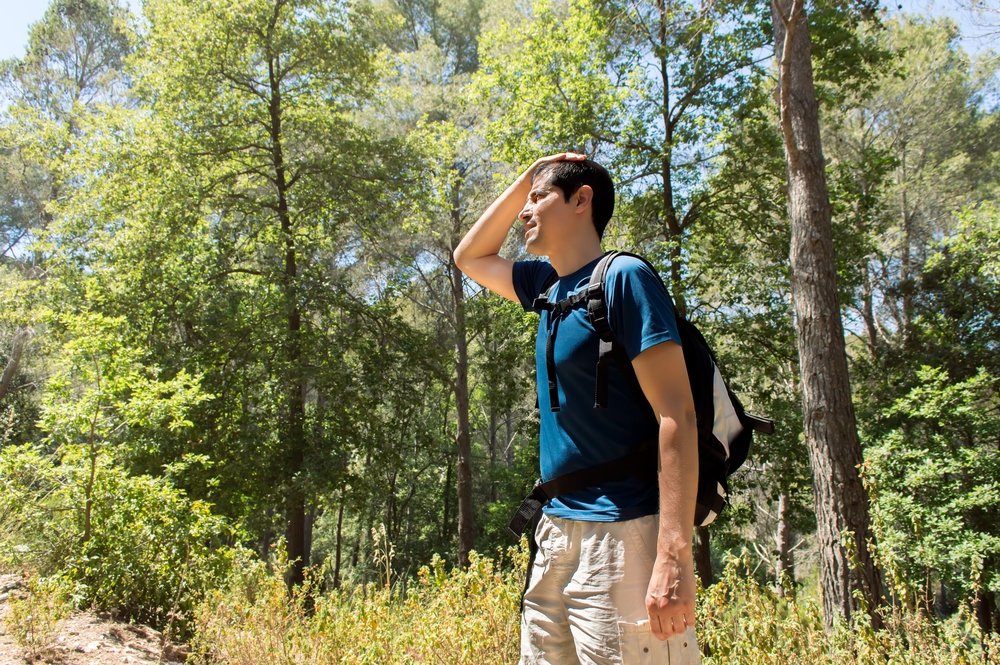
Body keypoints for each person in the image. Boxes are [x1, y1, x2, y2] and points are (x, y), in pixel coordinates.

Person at [453, 153, 701, 664]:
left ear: (582, 200)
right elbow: (469, 257)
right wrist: (531, 175)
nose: (525, 211)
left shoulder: (624, 277)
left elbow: (678, 413)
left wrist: (673, 556)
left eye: (539, 198)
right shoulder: (545, 287)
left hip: (624, 533)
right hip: (555, 532)